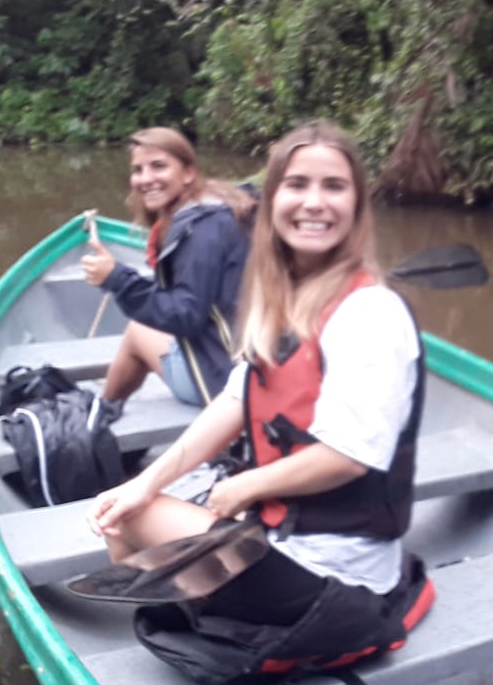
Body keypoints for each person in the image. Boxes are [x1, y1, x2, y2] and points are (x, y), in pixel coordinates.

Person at [84, 119, 422, 634]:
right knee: (128, 502)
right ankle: (209, 620)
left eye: (333, 186)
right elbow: (236, 399)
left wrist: (243, 486)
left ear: (356, 206)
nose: (314, 202)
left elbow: (350, 457)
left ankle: (210, 634)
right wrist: (145, 481)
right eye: (297, 184)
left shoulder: (371, 312)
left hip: (337, 579)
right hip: (285, 538)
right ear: (273, 200)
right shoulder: (283, 300)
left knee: (126, 521)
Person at [81, 127, 255, 407]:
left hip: (224, 382)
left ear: (188, 172)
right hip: (254, 362)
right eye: (138, 170)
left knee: (138, 332)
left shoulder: (200, 233)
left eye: (158, 166)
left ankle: (102, 414)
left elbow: (185, 316)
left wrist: (117, 278)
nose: (145, 179)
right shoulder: (226, 207)